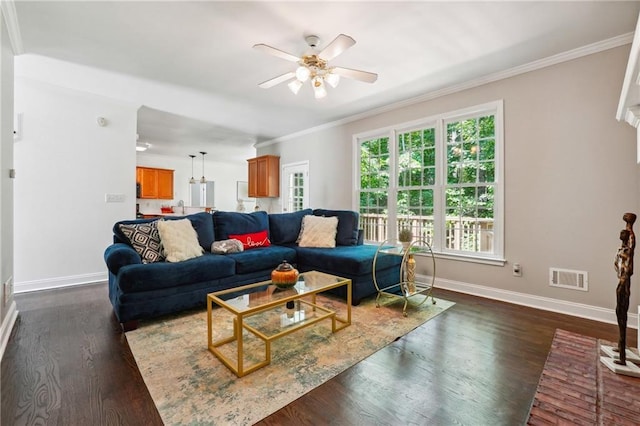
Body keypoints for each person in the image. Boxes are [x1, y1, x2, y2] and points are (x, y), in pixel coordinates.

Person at [614, 213, 636, 365]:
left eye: (625, 232)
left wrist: (630, 224)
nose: (621, 233)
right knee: (618, 311)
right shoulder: (621, 249)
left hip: (624, 283)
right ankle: (620, 345)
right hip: (621, 280)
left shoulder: (629, 249)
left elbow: (632, 241)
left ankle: (622, 354)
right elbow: (618, 264)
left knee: (622, 312)